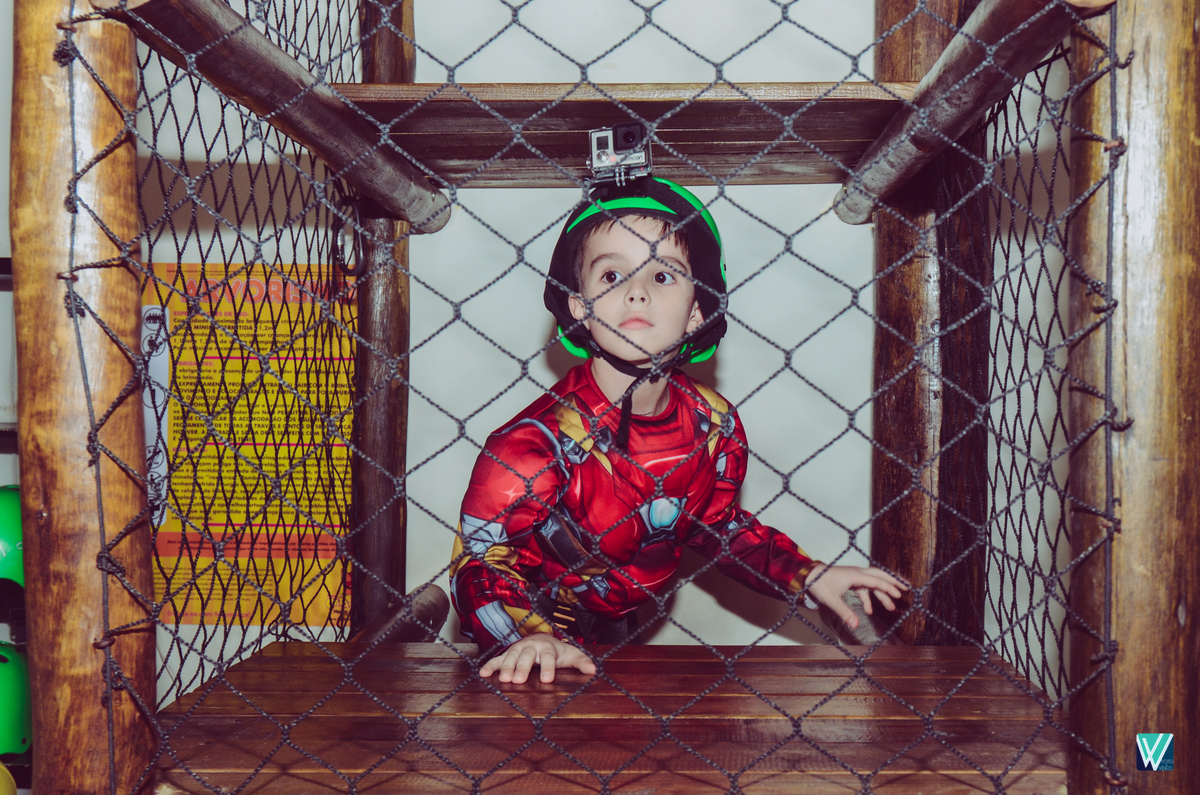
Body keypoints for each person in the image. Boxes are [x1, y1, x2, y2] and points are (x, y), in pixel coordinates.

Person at [449, 176, 907, 684]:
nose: (637, 292)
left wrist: (808, 574)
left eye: (663, 275)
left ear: (695, 312)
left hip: (621, 631)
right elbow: (481, 560)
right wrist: (527, 635)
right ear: (580, 308)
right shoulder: (534, 442)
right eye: (611, 275)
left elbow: (720, 528)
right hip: (528, 641)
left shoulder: (713, 424)